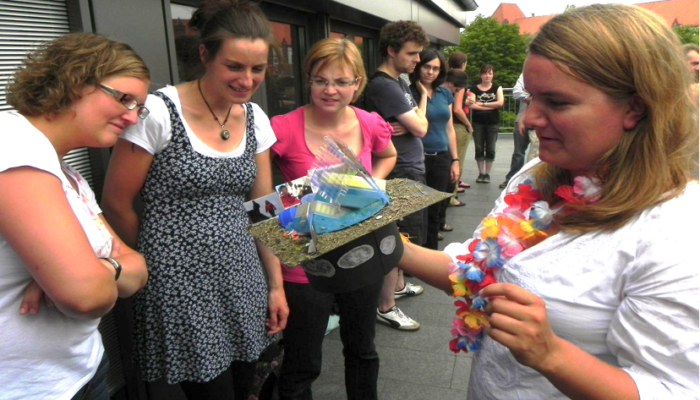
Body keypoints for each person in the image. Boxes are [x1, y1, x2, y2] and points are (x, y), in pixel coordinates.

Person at [396, 4, 700, 399]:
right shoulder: (537, 175)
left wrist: (551, 354)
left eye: (556, 102)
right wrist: (387, 243)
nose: (529, 119)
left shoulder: (675, 229)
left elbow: (673, 388)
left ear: (635, 108)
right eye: (532, 98)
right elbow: (473, 270)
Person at [100, 1, 288, 398]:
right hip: (177, 281)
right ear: (205, 54)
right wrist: (150, 257)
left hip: (242, 274)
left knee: (246, 385)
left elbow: (265, 207)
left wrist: (276, 285)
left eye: (257, 68)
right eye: (234, 66)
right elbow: (116, 202)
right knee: (210, 392)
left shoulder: (256, 118)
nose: (247, 79)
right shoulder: (158, 112)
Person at [0, 33, 149, 399]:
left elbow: (138, 268)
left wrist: (99, 269)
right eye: (124, 98)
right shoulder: (15, 144)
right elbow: (85, 296)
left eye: (138, 107)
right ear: (74, 80)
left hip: (80, 370)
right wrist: (102, 270)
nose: (132, 117)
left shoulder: (69, 174)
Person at [271, 37, 398, 400]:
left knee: (362, 349)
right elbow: (260, 193)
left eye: (342, 81)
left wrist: (376, 182)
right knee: (302, 362)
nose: (330, 90)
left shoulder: (369, 123)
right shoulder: (282, 128)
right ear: (307, 79)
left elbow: (388, 155)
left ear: (357, 83)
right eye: (321, 80)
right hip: (306, 263)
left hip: (362, 251)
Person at [362, 20, 429, 331]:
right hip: (398, 169)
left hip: (407, 165)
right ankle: (385, 305)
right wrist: (416, 120)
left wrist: (420, 110)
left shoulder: (400, 81)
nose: (418, 60)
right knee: (396, 238)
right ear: (391, 50)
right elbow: (420, 128)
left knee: (403, 232)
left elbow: (419, 123)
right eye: (412, 53)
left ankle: (397, 287)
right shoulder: (384, 85)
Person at [408, 49, 459, 250]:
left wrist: (455, 160)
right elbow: (419, 120)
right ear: (419, 66)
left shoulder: (444, 92)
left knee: (434, 209)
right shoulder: (408, 92)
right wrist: (422, 94)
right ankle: (413, 254)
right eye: (427, 67)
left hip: (441, 157)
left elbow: (450, 128)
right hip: (417, 158)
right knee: (415, 209)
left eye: (436, 68)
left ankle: (430, 254)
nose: (430, 72)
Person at [499, 73, 539, 188]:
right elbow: (516, 92)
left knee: (535, 154)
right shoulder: (525, 75)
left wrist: (529, 93)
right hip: (521, 118)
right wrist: (528, 96)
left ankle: (529, 182)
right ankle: (511, 179)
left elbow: (540, 96)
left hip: (537, 122)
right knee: (518, 152)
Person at [467, 65, 504, 184]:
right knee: (478, 147)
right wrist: (489, 106)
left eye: (490, 73)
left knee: (491, 148)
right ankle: (481, 172)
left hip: (493, 123)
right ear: (481, 75)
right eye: (485, 73)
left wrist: (481, 104)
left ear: (493, 75)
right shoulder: (474, 88)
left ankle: (487, 173)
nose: (487, 76)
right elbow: (471, 105)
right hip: (478, 123)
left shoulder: (497, 88)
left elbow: (500, 103)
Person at [447, 51, 473, 199]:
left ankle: (451, 191)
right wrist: (468, 124)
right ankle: (452, 194)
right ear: (463, 64)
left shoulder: (446, 77)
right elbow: (457, 108)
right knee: (457, 161)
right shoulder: (460, 80)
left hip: (447, 125)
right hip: (457, 126)